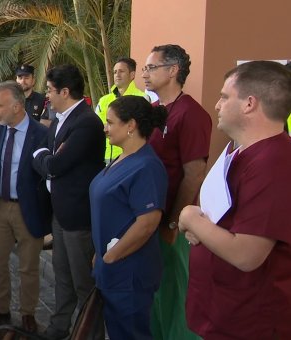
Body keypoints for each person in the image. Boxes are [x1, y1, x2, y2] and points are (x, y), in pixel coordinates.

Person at [181, 61, 291, 340]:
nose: (217, 105)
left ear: (249, 103)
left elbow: (247, 254)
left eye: (224, 96)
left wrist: (189, 217)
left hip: (251, 322)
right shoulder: (243, 152)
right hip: (224, 312)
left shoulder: (273, 162)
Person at [143, 44, 211, 340]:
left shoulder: (190, 113)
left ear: (172, 71)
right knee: (157, 294)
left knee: (175, 294)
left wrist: (173, 223)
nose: (144, 74)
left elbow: (194, 173)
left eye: (151, 68)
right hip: (152, 219)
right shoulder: (156, 112)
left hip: (174, 224)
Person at [32, 64, 105, 340]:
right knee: (62, 277)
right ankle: (59, 327)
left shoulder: (86, 122)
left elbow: (55, 165)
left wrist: (41, 156)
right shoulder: (62, 118)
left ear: (65, 91)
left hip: (77, 218)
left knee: (83, 282)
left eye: (50, 90)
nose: (47, 97)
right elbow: (51, 158)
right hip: (60, 215)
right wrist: (46, 157)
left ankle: (89, 333)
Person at [90, 95, 168, 340]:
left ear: (131, 125)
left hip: (128, 274)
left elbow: (147, 223)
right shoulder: (122, 157)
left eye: (111, 122)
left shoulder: (146, 167)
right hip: (112, 267)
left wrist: (112, 255)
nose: (105, 127)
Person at [0, 81, 50, 333]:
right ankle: (0, 308)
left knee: (28, 267)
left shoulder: (41, 134)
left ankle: (28, 314)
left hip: (28, 209)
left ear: (17, 106)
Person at [95, 57, 149, 162]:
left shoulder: (142, 98)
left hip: (132, 156)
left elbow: (141, 129)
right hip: (105, 158)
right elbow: (97, 126)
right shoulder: (104, 100)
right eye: (115, 72)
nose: (117, 75)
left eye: (121, 71)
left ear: (132, 75)